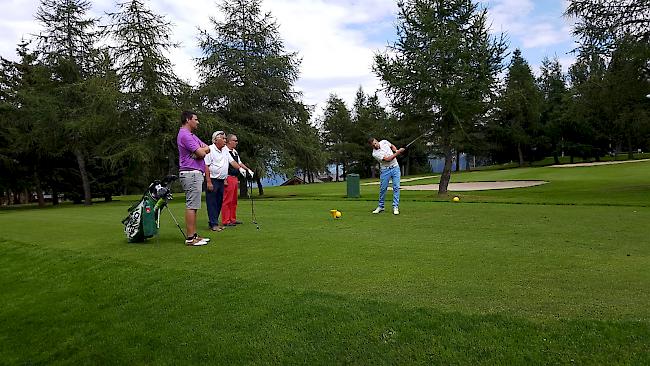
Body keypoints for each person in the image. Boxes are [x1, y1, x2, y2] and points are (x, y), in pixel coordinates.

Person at [177, 111, 211, 246]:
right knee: (192, 205)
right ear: (187, 119)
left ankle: (194, 235)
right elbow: (202, 152)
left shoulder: (192, 136)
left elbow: (207, 148)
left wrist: (202, 151)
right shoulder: (185, 135)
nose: (198, 122)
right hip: (190, 173)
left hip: (195, 172)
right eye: (195, 119)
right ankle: (190, 238)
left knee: (194, 205)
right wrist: (200, 152)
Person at [203, 131, 246, 232]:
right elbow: (206, 166)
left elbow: (232, 162)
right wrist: (208, 181)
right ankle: (213, 224)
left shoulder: (225, 151)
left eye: (225, 138)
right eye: (223, 138)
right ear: (216, 140)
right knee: (212, 202)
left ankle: (214, 223)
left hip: (221, 180)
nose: (225, 140)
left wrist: (240, 169)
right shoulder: (210, 149)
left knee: (218, 202)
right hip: (212, 179)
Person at [222, 134, 253, 227]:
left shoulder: (234, 151)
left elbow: (239, 162)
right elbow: (232, 163)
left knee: (234, 200)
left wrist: (247, 169)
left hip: (235, 177)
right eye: (234, 140)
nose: (236, 142)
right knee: (227, 199)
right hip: (228, 176)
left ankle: (232, 218)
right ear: (229, 141)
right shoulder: (225, 151)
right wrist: (240, 169)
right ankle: (226, 220)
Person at [369, 137, 405, 215]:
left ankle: (395, 206)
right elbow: (388, 159)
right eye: (373, 145)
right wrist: (398, 152)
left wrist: (396, 150)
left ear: (377, 141)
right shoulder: (375, 154)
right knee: (383, 188)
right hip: (385, 170)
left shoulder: (384, 142)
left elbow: (392, 146)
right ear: (371, 146)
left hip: (395, 167)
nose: (375, 145)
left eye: (375, 143)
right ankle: (381, 206)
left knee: (396, 187)